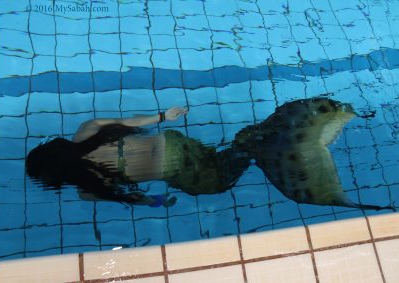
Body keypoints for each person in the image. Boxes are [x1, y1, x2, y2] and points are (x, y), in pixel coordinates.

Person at [26, 99, 395, 211]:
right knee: (226, 152)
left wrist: (156, 201)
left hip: (174, 169)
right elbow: (128, 119)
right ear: (54, 146)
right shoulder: (86, 131)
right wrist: (163, 115)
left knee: (221, 176)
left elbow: (134, 197)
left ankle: (261, 149)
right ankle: (269, 139)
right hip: (174, 143)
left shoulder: (88, 189)